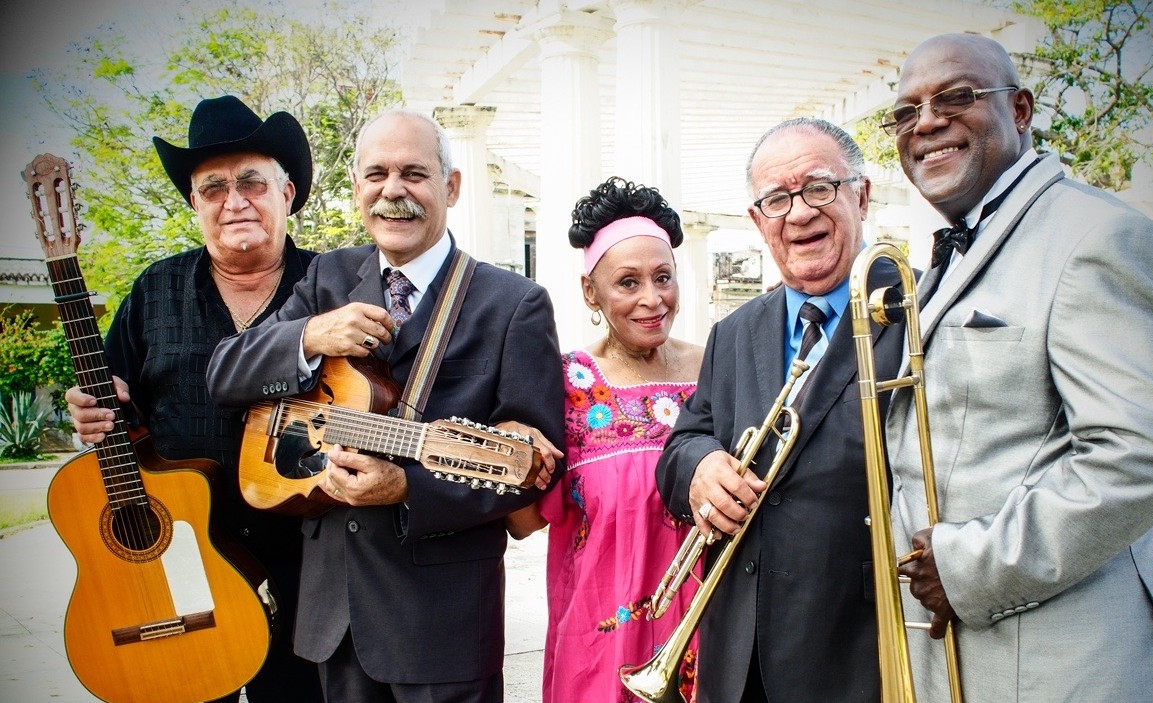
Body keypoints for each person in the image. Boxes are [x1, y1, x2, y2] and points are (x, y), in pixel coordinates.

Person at [884, 33, 1153, 702]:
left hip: (1069, 665)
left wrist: (971, 567)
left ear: (1023, 110)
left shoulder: (1097, 234)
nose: (926, 122)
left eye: (956, 96)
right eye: (906, 110)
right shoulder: (954, 254)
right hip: (976, 663)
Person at [204, 108, 565, 703]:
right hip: (335, 616)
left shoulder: (514, 305)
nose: (392, 191)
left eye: (414, 173)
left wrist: (407, 488)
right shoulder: (327, 278)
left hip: (442, 624)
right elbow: (225, 373)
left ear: (450, 187)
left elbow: (532, 472)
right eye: (376, 174)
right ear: (356, 188)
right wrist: (310, 335)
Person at [65, 95, 323, 703]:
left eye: (252, 182)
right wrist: (92, 412)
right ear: (193, 203)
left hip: (305, 557)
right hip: (180, 560)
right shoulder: (155, 290)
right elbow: (115, 412)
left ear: (287, 193)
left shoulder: (331, 283)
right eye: (213, 188)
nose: (234, 201)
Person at [654, 117, 905, 703]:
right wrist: (699, 470)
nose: (798, 213)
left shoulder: (918, 309)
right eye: (776, 199)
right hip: (738, 659)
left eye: (819, 187)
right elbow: (684, 444)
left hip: (857, 656)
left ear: (861, 195)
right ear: (757, 220)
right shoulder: (735, 332)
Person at [505, 177, 704, 702]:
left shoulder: (716, 366)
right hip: (600, 646)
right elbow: (523, 521)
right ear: (590, 292)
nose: (652, 299)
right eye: (628, 282)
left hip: (711, 633)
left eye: (663, 278)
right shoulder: (566, 384)